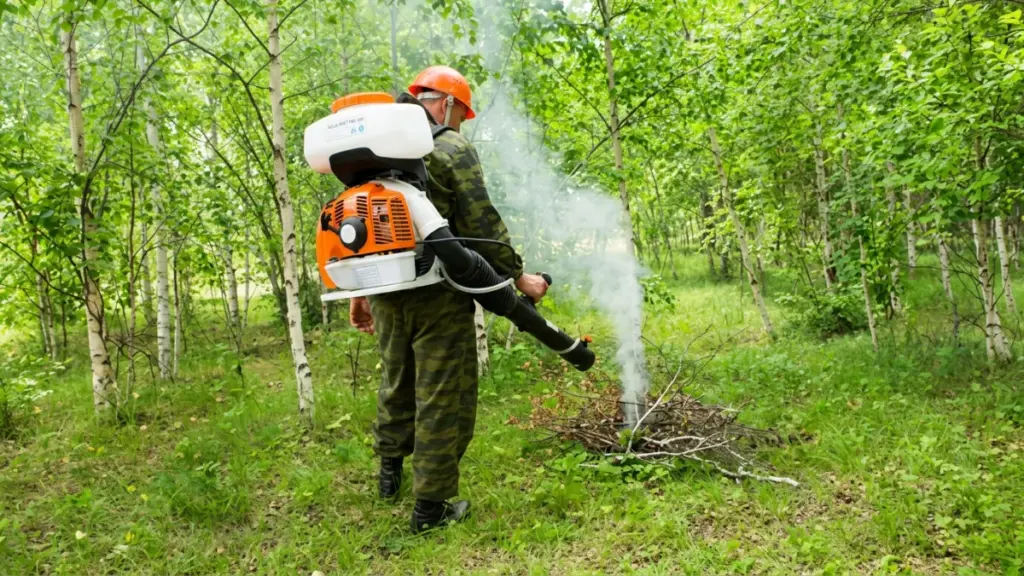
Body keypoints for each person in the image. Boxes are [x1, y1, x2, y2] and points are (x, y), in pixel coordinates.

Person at [348, 65, 549, 533]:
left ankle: (388, 476)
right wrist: (519, 276)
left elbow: (358, 228)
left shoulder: (375, 147)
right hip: (437, 293)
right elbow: (479, 221)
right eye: (461, 114)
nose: (461, 124)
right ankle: (432, 508)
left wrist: (359, 295)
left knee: (397, 380)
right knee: (442, 394)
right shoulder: (449, 146)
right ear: (448, 104)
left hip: (384, 289)